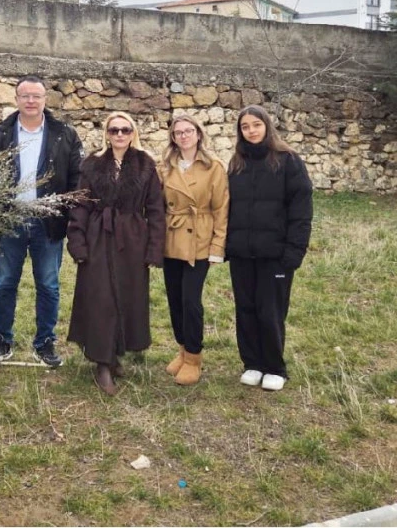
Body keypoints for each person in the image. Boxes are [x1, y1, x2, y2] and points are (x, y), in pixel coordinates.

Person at [0, 75, 84, 368]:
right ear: (16, 99)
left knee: (48, 285)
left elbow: (77, 177)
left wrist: (68, 214)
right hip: (8, 220)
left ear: (45, 99)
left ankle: (45, 343)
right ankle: (1, 341)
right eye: (25, 96)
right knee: (4, 283)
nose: (31, 101)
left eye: (36, 96)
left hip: (47, 223)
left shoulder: (64, 134)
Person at [66, 111, 165, 395]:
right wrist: (78, 242)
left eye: (124, 130)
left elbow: (156, 209)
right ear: (106, 134)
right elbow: (80, 205)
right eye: (114, 130)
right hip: (98, 237)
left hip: (132, 240)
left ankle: (117, 351)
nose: (119, 135)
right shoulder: (92, 164)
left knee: (127, 295)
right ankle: (102, 362)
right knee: (101, 299)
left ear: (133, 133)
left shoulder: (146, 165)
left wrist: (153, 248)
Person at [226, 105, 312, 392]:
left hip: (275, 255)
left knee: (271, 311)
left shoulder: (288, 161)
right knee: (246, 309)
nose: (251, 130)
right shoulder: (236, 163)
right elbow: (228, 208)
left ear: (267, 126)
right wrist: (227, 245)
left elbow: (301, 211)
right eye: (245, 126)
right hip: (241, 254)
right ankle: (252, 363)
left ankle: (274, 367)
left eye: (256, 125)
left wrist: (293, 252)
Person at [158, 115, 228, 386]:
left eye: (189, 131)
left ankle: (194, 358)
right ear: (173, 138)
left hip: (199, 239)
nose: (184, 136)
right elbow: (158, 204)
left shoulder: (214, 167)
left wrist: (217, 247)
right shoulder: (165, 167)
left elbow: (221, 209)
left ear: (199, 134)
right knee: (174, 299)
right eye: (179, 133)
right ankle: (182, 348)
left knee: (191, 301)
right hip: (172, 237)